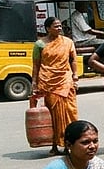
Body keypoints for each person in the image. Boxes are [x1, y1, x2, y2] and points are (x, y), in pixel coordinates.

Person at [33, 17, 79, 155]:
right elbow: (36, 65)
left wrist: (75, 76)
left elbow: (73, 60)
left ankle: (68, 145)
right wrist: (34, 83)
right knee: (52, 116)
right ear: (48, 28)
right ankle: (54, 145)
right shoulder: (40, 44)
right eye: (56, 26)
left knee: (70, 112)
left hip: (65, 80)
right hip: (47, 82)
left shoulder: (68, 42)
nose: (59, 28)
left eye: (60, 26)